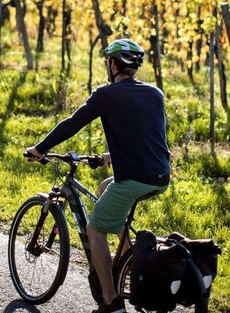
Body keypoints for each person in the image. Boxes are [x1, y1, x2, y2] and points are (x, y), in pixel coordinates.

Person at [26, 38, 171, 313]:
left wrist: (40, 149)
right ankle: (126, 253)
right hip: (160, 177)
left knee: (95, 229)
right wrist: (111, 156)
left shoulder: (106, 94)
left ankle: (109, 301)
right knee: (106, 187)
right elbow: (147, 138)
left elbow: (71, 124)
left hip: (134, 179)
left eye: (108, 60)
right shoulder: (155, 94)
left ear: (113, 64)